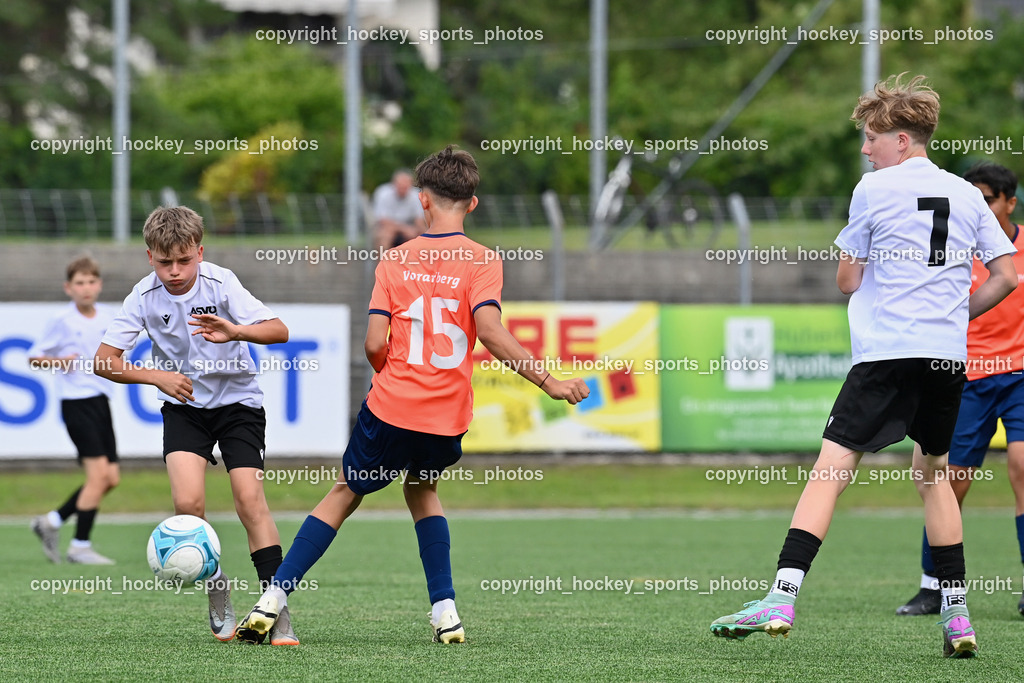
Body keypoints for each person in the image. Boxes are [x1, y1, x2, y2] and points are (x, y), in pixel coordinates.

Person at [708, 74, 1018, 659]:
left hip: (886, 353)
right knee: (935, 478)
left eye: (872, 137)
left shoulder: (873, 190)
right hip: (946, 356)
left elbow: (847, 279)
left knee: (831, 469)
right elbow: (1005, 275)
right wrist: (955, 313)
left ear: (902, 140)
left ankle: (781, 595)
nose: (864, 148)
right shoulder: (968, 194)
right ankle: (957, 618)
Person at [234, 145, 589, 645]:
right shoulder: (484, 261)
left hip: (392, 407)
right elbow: (488, 330)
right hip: (445, 416)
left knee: (345, 492)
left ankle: (274, 597)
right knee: (423, 490)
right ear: (473, 204)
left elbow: (374, 343)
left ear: (422, 200)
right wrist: (550, 382)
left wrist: (390, 377)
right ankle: (445, 612)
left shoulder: (395, 259)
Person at [94, 206, 293, 644]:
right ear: (150, 257)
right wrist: (156, 376)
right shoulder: (143, 297)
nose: (175, 271)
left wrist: (236, 330)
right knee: (188, 506)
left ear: (199, 252)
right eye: (165, 262)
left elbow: (279, 331)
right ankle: (217, 588)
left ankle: (275, 608)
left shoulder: (222, 283)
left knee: (249, 501)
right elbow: (103, 361)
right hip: (185, 409)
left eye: (184, 260)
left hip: (239, 404)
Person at [896, 162, 1024, 617]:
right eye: (976, 198)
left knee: (1021, 465)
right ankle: (934, 586)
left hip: (1020, 377)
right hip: (967, 377)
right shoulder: (952, 245)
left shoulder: (1015, 249)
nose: (982, 206)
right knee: (949, 481)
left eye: (989, 198)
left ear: (1010, 202)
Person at [29, 256, 120, 565]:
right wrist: (58, 361)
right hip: (76, 403)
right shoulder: (62, 320)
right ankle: (80, 546)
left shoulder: (108, 317)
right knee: (97, 477)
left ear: (99, 285)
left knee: (110, 478)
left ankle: (52, 522)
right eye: (79, 283)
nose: (86, 288)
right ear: (69, 288)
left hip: (100, 402)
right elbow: (34, 357)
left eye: (91, 282)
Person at [372, 169, 426, 248]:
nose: (402, 189)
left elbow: (419, 219)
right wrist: (404, 229)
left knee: (418, 235)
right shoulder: (383, 193)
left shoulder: (415, 195)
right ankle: (383, 259)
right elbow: (383, 220)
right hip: (387, 227)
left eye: (405, 187)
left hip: (410, 226)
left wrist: (423, 233)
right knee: (385, 236)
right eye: (400, 186)